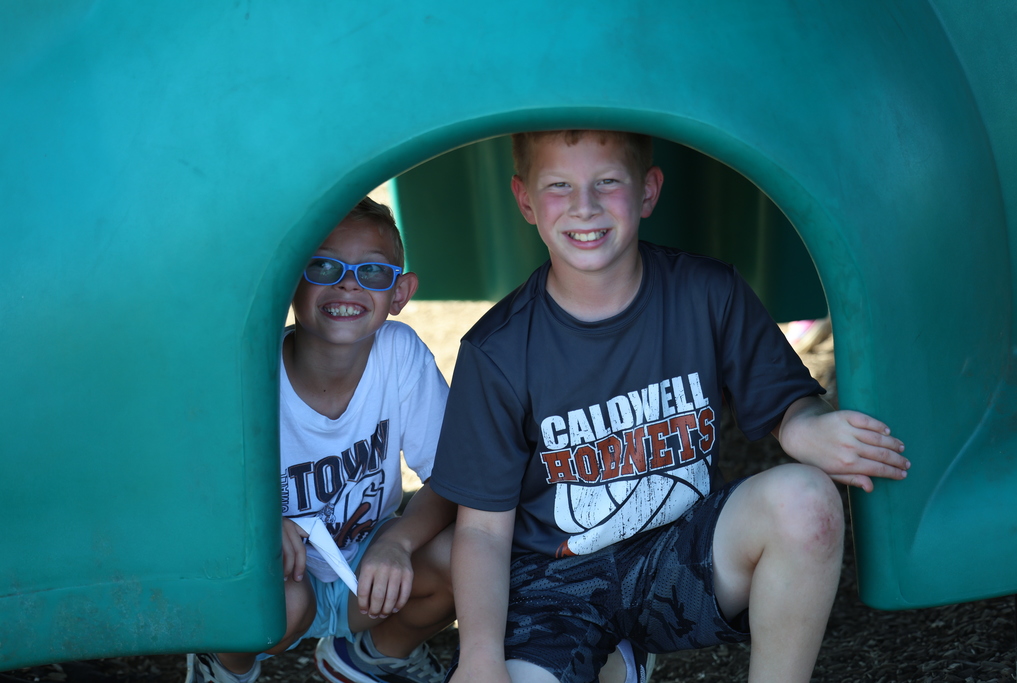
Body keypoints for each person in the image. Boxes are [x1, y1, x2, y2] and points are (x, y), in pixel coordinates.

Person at [428, 130, 911, 683]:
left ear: (648, 191)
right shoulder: (497, 351)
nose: (585, 206)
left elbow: (787, 405)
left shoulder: (708, 292)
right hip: (552, 588)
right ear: (525, 200)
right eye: (559, 186)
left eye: (607, 183)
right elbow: (483, 532)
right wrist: (481, 657)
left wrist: (808, 427)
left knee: (806, 500)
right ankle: (611, 656)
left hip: (677, 560)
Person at [186, 197, 456, 683]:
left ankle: (374, 656)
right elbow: (194, 485)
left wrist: (397, 540)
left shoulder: (399, 354)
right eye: (324, 267)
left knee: (464, 557)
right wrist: (258, 522)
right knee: (280, 599)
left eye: (373, 273)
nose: (348, 283)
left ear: (400, 292)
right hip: (280, 575)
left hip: (367, 571)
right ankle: (224, 668)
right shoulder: (253, 369)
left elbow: (454, 477)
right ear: (289, 280)